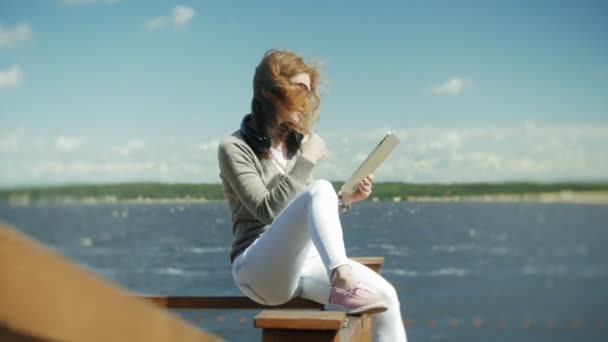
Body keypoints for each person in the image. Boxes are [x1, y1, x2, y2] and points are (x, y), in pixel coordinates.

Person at [217, 49, 407, 341]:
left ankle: (340, 278)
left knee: (386, 297)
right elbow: (266, 211)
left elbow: (300, 213)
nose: (307, 99)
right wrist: (307, 161)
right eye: (299, 88)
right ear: (270, 92)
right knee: (320, 187)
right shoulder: (234, 147)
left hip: (302, 264)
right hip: (256, 269)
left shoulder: (293, 145)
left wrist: (344, 201)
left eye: (310, 90)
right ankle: (341, 277)